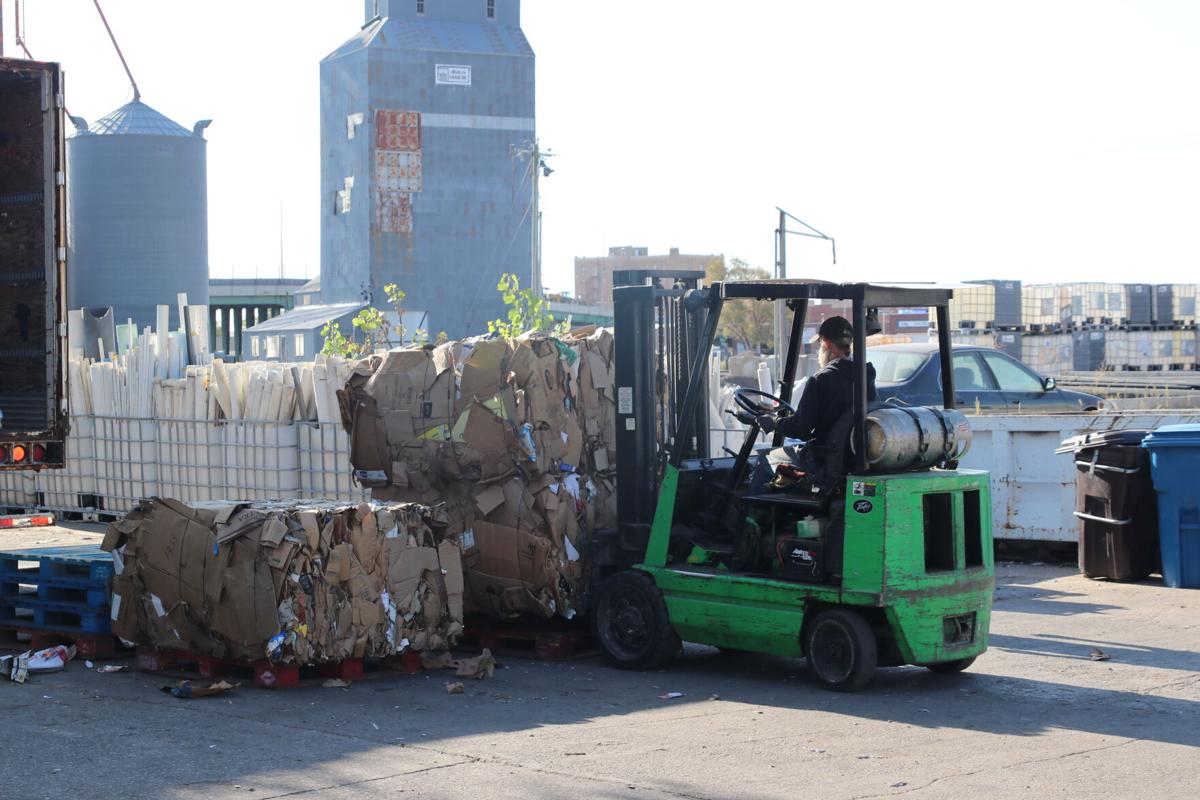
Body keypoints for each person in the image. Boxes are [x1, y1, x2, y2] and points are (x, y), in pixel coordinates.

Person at [756, 315, 876, 447]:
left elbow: (800, 428)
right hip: (854, 454)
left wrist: (773, 422)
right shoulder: (866, 375)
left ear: (826, 343)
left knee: (769, 458)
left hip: (825, 458)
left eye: (820, 344)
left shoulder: (821, 380)